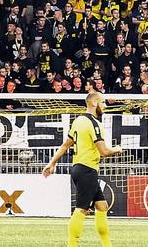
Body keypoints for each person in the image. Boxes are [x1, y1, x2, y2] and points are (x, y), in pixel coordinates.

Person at [43, 91, 122, 247]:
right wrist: (117, 149)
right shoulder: (94, 123)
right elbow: (104, 152)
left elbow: (66, 144)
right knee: (81, 209)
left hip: (80, 168)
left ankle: (107, 245)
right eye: (102, 102)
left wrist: (51, 163)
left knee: (102, 206)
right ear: (94, 103)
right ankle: (72, 244)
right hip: (87, 169)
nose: (104, 106)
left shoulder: (78, 121)